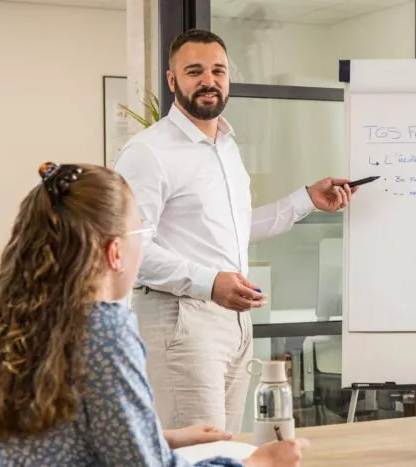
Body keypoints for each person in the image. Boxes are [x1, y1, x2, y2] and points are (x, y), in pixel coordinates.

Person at [114, 28, 357, 433]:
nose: (208, 80)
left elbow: (234, 230)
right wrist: (210, 283)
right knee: (198, 455)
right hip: (180, 319)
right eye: (194, 71)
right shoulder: (148, 152)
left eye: (218, 71)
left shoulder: (225, 145)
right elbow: (129, 251)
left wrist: (306, 200)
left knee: (223, 450)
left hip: (233, 322)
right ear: (173, 81)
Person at [0, 162, 309, 466]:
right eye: (141, 234)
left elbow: (57, 440)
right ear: (114, 253)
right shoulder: (105, 331)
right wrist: (258, 463)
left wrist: (160, 437)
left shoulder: (16, 318)